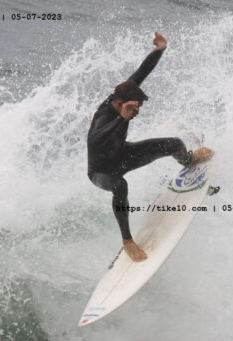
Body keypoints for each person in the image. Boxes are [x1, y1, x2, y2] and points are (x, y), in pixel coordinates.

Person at [87, 32, 214, 262]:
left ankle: (187, 160)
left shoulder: (124, 92)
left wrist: (160, 50)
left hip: (123, 155)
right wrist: (121, 119)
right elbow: (95, 139)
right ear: (119, 104)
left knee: (173, 144)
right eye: (133, 107)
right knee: (120, 185)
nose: (136, 111)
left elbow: (141, 73)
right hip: (101, 171)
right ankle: (127, 240)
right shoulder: (105, 114)